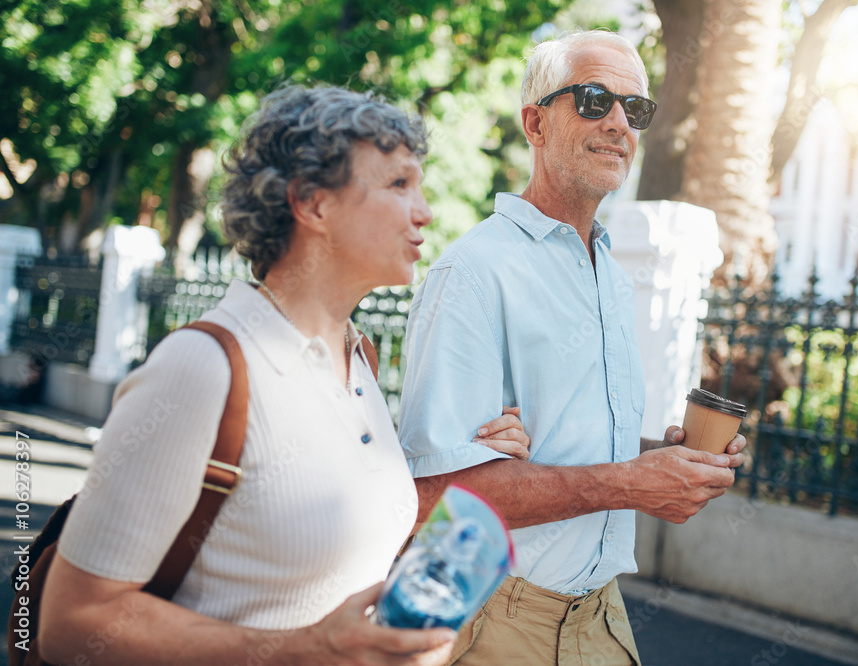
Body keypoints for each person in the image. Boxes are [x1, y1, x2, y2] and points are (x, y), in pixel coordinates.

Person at [38, 85, 529, 666]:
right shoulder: (203, 369)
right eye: (399, 184)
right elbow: (72, 625)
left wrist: (468, 465)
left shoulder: (358, 364)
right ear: (312, 203)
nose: (424, 210)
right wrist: (300, 651)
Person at [397, 30, 747, 665]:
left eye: (634, 109)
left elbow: (573, 443)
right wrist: (630, 485)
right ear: (535, 122)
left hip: (602, 613)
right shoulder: (473, 273)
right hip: (490, 611)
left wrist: (663, 463)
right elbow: (434, 495)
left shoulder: (609, 271)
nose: (617, 122)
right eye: (592, 100)